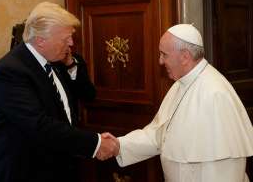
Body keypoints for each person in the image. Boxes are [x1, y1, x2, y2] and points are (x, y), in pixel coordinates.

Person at [0, 2, 117, 182]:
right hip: (22, 173)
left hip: (56, 168)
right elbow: (39, 125)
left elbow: (84, 97)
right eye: (65, 38)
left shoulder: (54, 61)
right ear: (40, 40)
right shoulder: (10, 71)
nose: (71, 43)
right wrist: (96, 143)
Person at [106, 24, 253, 182]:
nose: (160, 61)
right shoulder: (180, 84)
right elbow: (158, 135)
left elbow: (225, 171)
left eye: (164, 54)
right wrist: (118, 146)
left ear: (185, 56)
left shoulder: (215, 94)